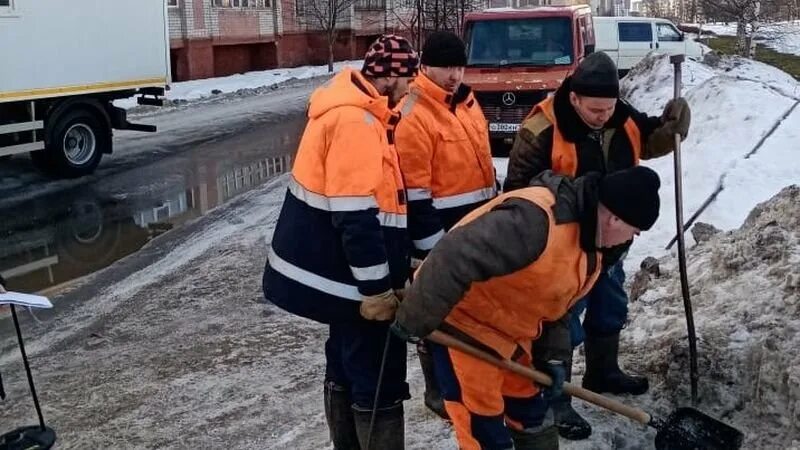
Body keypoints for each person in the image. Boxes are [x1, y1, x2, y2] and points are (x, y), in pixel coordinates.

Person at [391, 166, 663, 450]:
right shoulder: (535, 221)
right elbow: (453, 255)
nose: (630, 239)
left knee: (532, 415)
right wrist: (414, 318)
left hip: (512, 333)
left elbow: (557, 307)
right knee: (482, 427)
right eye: (634, 231)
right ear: (614, 218)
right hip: (464, 326)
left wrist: (554, 357)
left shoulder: (590, 248)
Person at [502, 51, 691, 440]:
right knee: (562, 324)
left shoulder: (620, 115)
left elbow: (649, 140)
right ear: (574, 97)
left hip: (612, 244)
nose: (603, 116)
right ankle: (558, 396)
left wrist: (672, 128)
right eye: (595, 109)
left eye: (608, 108)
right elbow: (518, 192)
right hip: (566, 249)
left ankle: (603, 372)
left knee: (610, 309)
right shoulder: (540, 128)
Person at [262, 35, 419, 450]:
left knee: (345, 365)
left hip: (339, 278)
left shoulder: (358, 113)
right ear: (389, 77)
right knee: (377, 376)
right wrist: (377, 291)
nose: (413, 87)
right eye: (409, 77)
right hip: (353, 282)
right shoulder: (356, 122)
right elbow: (356, 218)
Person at [394, 30, 498, 420]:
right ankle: (439, 390)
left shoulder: (469, 103)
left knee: (471, 311)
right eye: (445, 67)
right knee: (439, 312)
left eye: (459, 66)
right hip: (439, 233)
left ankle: (468, 382)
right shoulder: (414, 112)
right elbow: (415, 194)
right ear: (425, 67)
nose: (454, 75)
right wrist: (430, 251)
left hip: (477, 226)